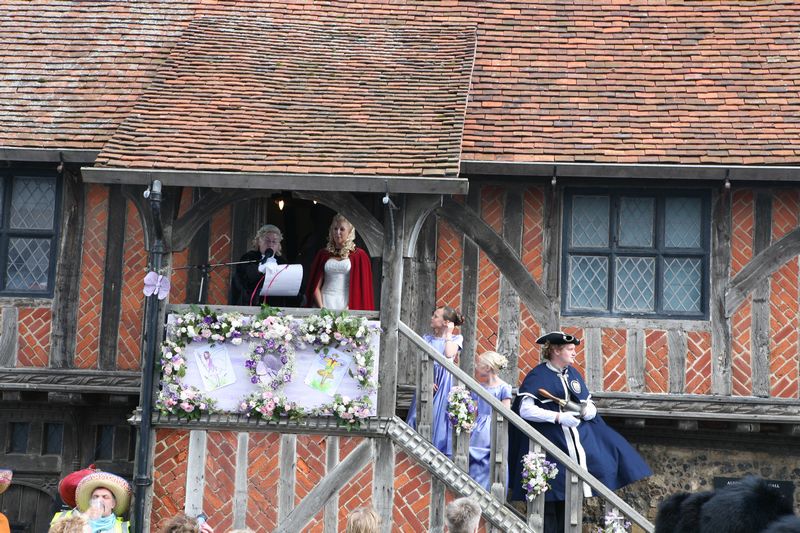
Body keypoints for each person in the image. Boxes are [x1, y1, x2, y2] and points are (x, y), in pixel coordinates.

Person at [508, 331, 651, 533]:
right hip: (551, 449)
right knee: (549, 501)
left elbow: (585, 400)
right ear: (556, 351)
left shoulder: (573, 374)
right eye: (570, 349)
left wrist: (589, 409)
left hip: (574, 446)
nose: (575, 354)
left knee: (574, 495)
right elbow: (525, 410)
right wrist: (557, 417)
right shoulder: (538, 375)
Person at [406, 306, 464, 457]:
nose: (432, 318)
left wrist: (449, 334)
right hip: (429, 379)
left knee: (441, 419)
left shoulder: (456, 339)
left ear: (446, 322)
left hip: (445, 383)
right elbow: (421, 362)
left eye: (436, 316)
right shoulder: (427, 338)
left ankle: (439, 450)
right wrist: (428, 380)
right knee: (419, 414)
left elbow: (449, 353)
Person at [306, 214, 374, 311]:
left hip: (347, 303)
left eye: (342, 229)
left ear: (350, 232)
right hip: (324, 301)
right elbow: (315, 286)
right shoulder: (323, 254)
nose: (337, 232)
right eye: (335, 229)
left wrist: (350, 308)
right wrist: (322, 308)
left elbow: (362, 289)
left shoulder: (359, 255)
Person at [469, 351, 512, 490]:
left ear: (487, 367)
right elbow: (474, 411)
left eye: (479, 365)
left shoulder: (504, 388)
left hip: (495, 425)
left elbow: (506, 411)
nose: (476, 367)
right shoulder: (479, 388)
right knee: (476, 459)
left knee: (493, 458)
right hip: (478, 427)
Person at [232, 224, 288, 306]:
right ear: (259, 241)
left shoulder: (282, 262)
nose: (270, 244)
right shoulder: (248, 257)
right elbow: (243, 280)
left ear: (278, 245)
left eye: (274, 241)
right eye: (267, 240)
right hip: (253, 304)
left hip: (277, 305)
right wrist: (259, 269)